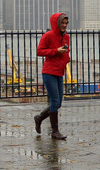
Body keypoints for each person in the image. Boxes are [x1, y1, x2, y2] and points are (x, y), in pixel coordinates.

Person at [34, 12, 70, 140]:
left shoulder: (66, 37)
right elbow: (39, 51)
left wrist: (66, 58)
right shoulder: (48, 36)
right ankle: (55, 131)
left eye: (66, 23)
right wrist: (56, 51)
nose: (64, 25)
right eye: (62, 23)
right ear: (57, 23)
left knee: (58, 102)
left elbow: (66, 53)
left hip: (59, 72)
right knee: (55, 101)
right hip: (49, 72)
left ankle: (39, 118)